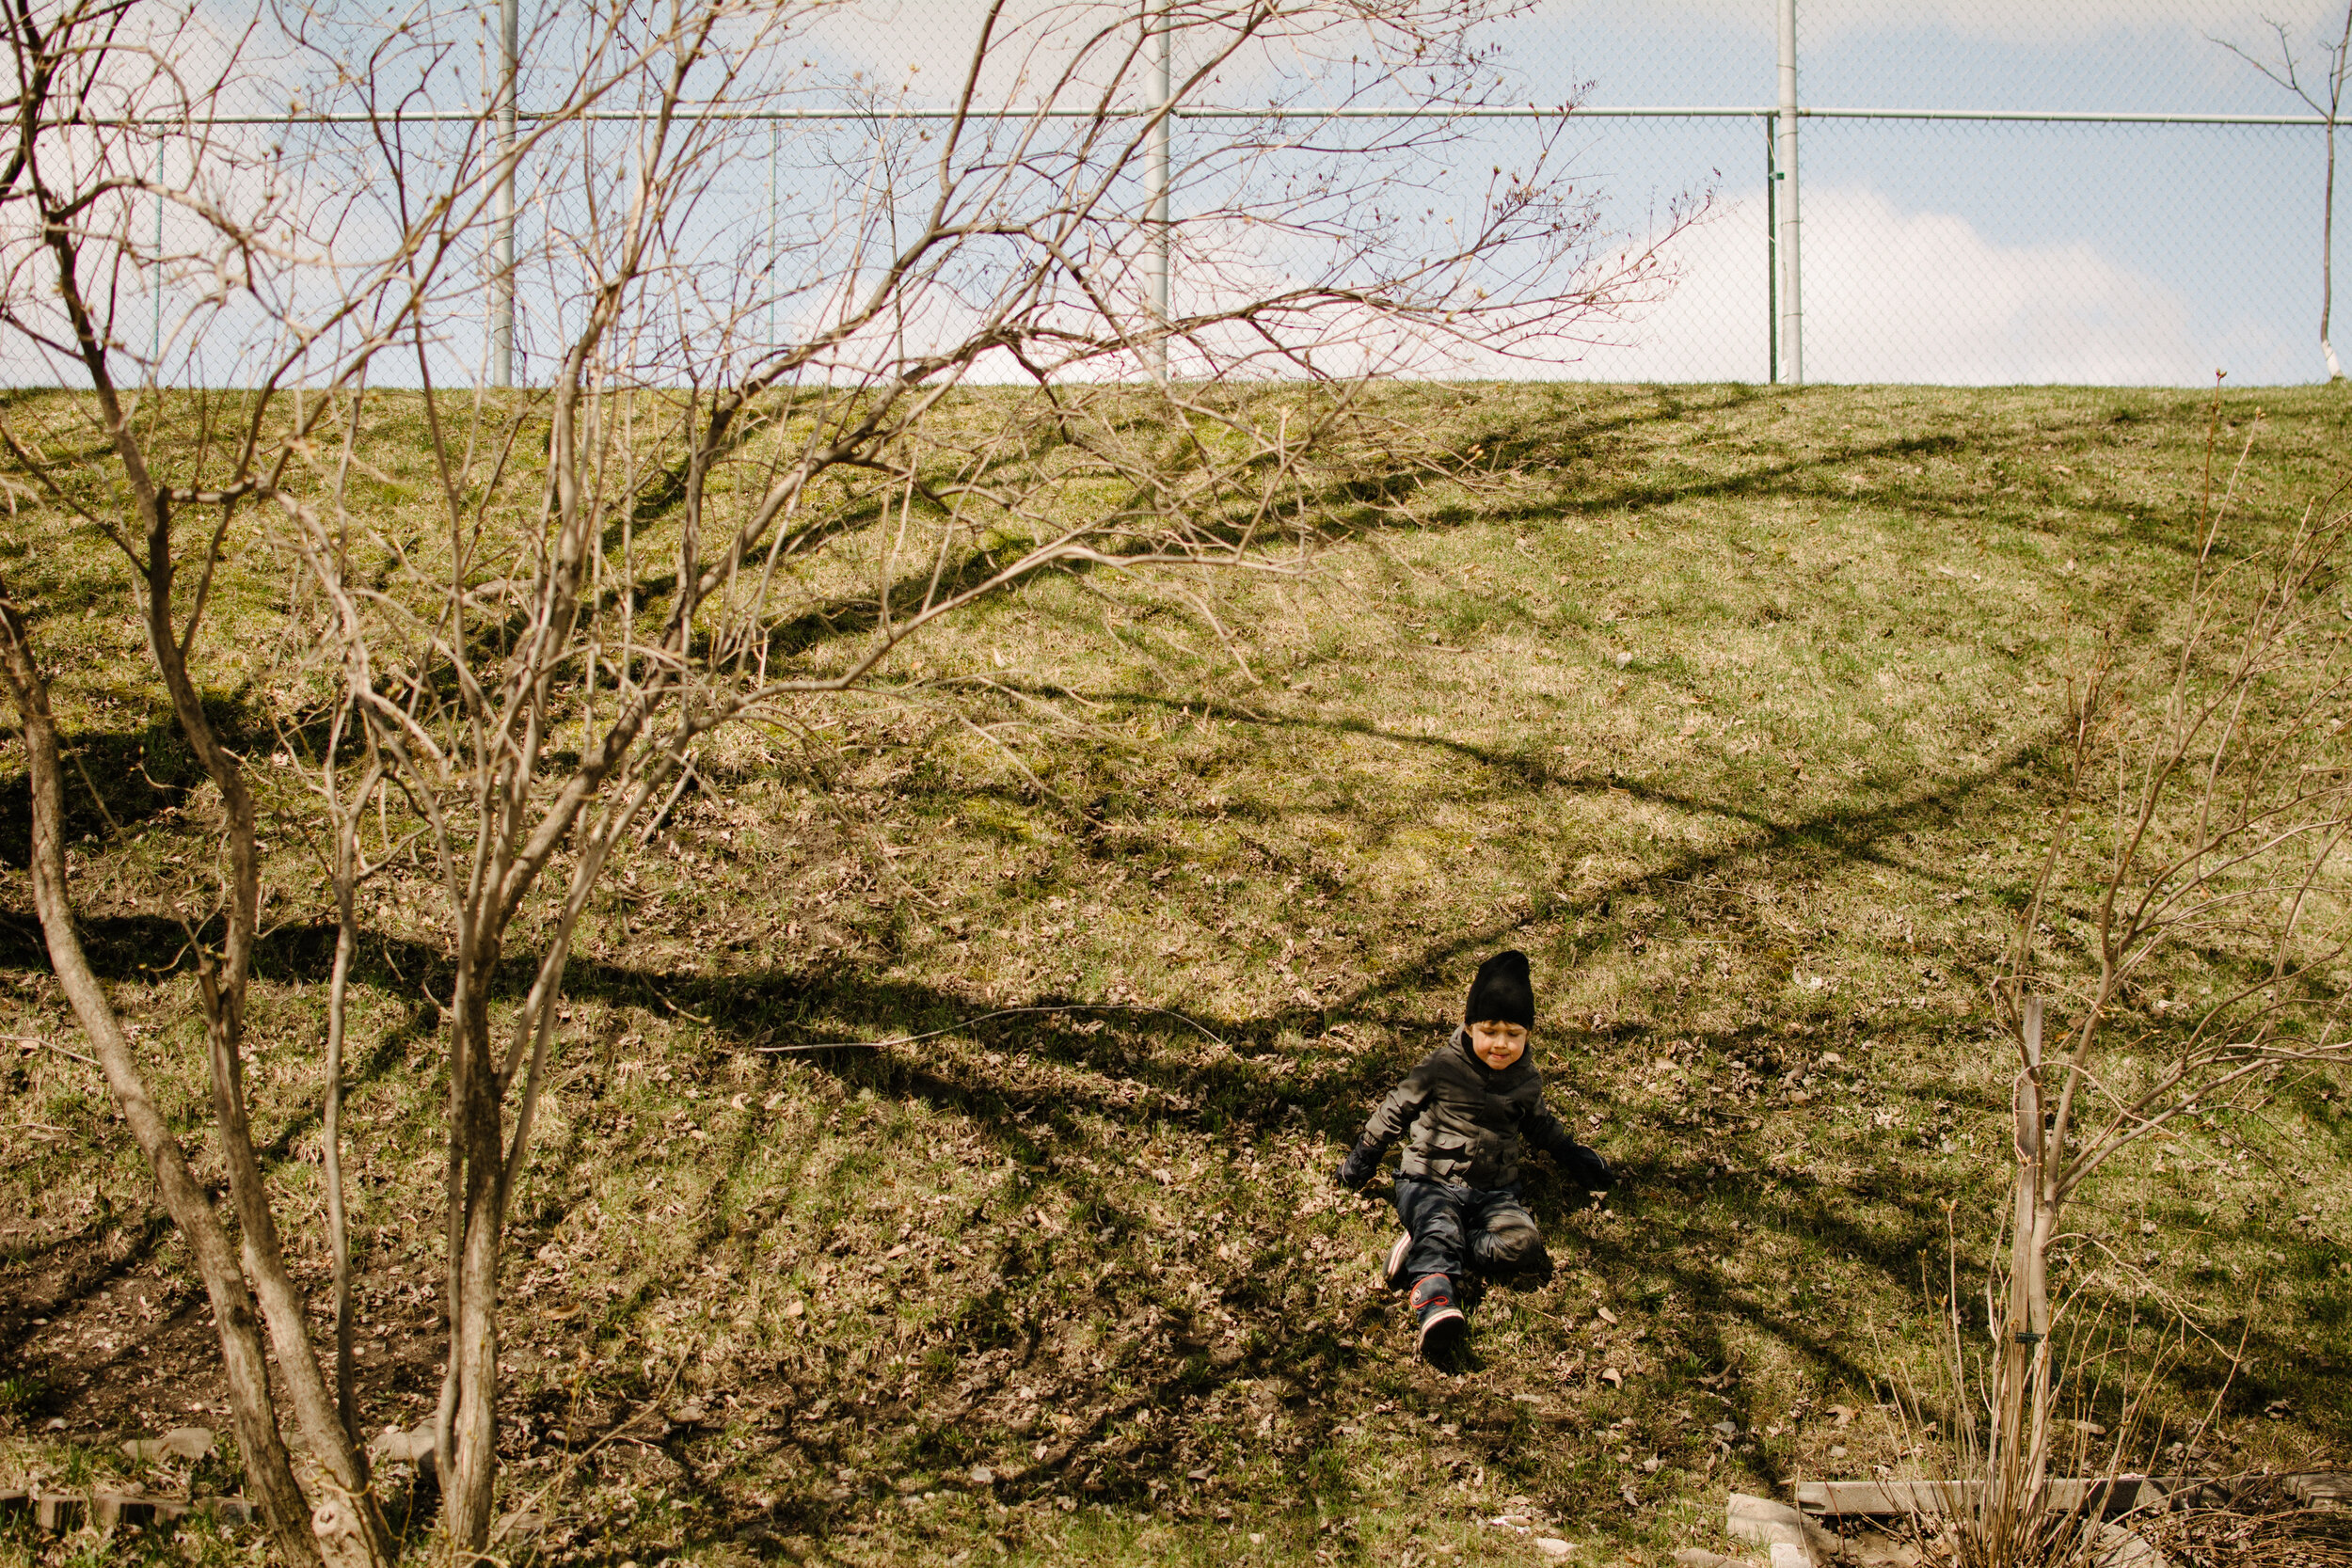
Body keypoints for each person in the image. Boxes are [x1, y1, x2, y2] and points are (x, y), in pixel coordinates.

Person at [1334, 950, 1611, 1365]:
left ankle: (1424, 1247)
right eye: (1490, 1030)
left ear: (1528, 1035)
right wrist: (1362, 1159)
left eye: (1514, 1034)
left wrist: (1574, 1158)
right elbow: (1395, 1108)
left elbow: (1539, 1126)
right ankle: (1435, 1300)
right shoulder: (1443, 1066)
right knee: (1438, 1223)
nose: (1501, 1043)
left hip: (1494, 1192)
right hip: (1429, 1181)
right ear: (1469, 1026)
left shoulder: (1526, 1079)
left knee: (1524, 1243)